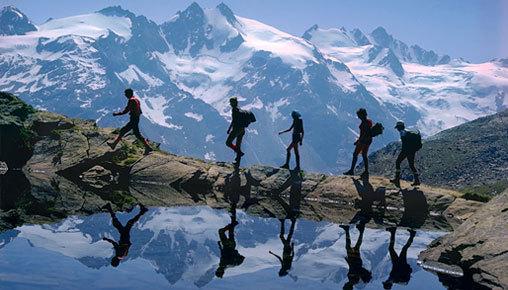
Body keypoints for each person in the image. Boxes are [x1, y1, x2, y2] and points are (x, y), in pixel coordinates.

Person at [107, 88, 153, 155]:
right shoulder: (136, 100)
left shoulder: (131, 101)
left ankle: (114, 144)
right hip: (136, 119)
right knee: (136, 133)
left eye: (126, 94)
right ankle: (114, 144)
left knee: (125, 131)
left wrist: (116, 114)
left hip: (133, 119)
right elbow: (140, 111)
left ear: (129, 94)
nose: (125, 95)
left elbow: (125, 111)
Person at [102, 203, 148, 267]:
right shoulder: (118, 254)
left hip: (126, 238)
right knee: (123, 223)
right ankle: (143, 211)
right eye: (112, 260)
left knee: (122, 224)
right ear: (114, 260)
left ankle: (109, 208)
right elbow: (115, 244)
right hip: (124, 238)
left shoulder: (123, 256)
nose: (112, 259)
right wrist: (106, 239)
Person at [340, 223, 372, 290]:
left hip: (356, 261)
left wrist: (349, 262)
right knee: (352, 247)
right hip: (355, 261)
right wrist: (349, 262)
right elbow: (354, 269)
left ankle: (353, 231)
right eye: (345, 286)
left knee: (353, 247)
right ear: (347, 287)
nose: (344, 284)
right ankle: (356, 231)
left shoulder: (353, 281)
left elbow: (353, 269)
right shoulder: (353, 280)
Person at [216, 205, 245, 278]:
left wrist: (220, 246)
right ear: (220, 271)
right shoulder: (224, 264)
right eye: (218, 270)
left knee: (231, 231)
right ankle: (233, 222)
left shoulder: (228, 266)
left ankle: (233, 216)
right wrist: (220, 246)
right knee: (221, 232)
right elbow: (223, 254)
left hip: (231, 246)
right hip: (227, 246)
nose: (218, 269)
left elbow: (223, 254)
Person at [343, 108, 372, 179]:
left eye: (358, 115)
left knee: (355, 154)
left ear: (362, 115)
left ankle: (352, 170)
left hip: (363, 141)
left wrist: (358, 141)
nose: (358, 117)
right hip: (368, 141)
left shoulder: (364, 122)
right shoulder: (369, 121)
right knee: (364, 155)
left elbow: (364, 134)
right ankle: (366, 172)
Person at [390, 121, 421, 188]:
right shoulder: (407, 131)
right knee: (411, 165)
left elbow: (405, 143)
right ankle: (417, 180)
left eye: (397, 128)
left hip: (406, 151)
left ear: (399, 127)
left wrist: (403, 150)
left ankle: (397, 179)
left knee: (398, 162)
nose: (397, 129)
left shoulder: (402, 132)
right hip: (411, 151)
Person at [226, 97, 245, 163]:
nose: (230, 104)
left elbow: (233, 121)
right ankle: (237, 160)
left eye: (231, 102)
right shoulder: (240, 109)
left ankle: (239, 152)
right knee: (238, 145)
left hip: (236, 129)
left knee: (228, 143)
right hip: (242, 129)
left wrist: (229, 129)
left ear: (233, 103)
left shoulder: (234, 110)